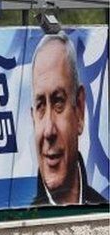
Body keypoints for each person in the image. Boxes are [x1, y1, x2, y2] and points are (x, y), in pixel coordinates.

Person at [29, 32, 107, 206]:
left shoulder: (103, 210)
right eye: (40, 106)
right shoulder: (22, 219)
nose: (48, 131)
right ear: (33, 120)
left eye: (58, 102)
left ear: (79, 110)